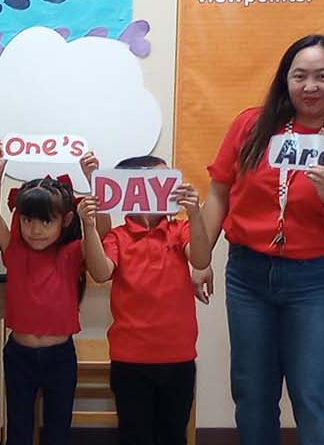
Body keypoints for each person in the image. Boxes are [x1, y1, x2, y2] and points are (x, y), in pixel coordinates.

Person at [195, 34, 324, 445]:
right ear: (285, 79)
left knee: (313, 395)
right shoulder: (252, 125)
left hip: (316, 280)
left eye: (322, 76)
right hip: (247, 274)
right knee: (252, 393)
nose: (309, 87)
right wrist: (200, 258)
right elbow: (218, 193)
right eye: (299, 76)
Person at [83, 154, 208, 445]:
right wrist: (88, 226)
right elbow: (101, 272)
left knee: (173, 435)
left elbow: (201, 258)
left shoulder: (179, 230)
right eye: (160, 180)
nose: (167, 187)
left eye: (169, 180)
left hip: (179, 358)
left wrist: (195, 214)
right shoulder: (118, 236)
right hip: (131, 360)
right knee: (134, 435)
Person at [0, 146, 87, 445]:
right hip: (19, 355)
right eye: (28, 220)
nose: (35, 229)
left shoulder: (71, 254)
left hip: (60, 356)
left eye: (45, 221)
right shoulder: (14, 252)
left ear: (64, 221)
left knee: (57, 429)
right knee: (19, 426)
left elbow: (101, 233)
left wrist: (93, 178)